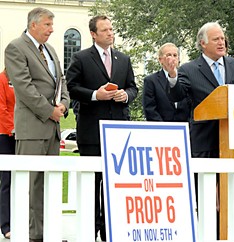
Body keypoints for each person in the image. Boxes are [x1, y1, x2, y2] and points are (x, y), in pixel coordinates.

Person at [165, 21, 234, 238]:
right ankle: (207, 235)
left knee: (232, 196)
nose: (222, 42)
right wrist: (172, 77)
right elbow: (177, 95)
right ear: (203, 43)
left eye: (223, 38)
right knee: (208, 198)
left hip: (233, 142)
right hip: (203, 141)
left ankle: (229, 235)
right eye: (216, 39)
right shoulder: (189, 70)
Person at [66, 15, 138, 241]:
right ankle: (89, 231)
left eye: (111, 29)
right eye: (105, 30)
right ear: (94, 34)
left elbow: (133, 88)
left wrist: (125, 95)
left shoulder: (123, 59)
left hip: (117, 133)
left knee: (113, 186)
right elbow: (73, 87)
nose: (110, 33)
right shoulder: (81, 58)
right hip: (91, 133)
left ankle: (110, 231)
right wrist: (96, 95)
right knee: (92, 184)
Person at [4, 7, 70, 242]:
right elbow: (24, 87)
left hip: (52, 129)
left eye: (52, 25)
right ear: (33, 25)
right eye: (47, 25)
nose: (52, 30)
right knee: (31, 184)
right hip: (32, 128)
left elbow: (61, 81)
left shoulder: (50, 50)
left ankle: (47, 232)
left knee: (50, 183)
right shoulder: (15, 48)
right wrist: (49, 111)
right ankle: (31, 235)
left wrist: (63, 104)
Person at [143, 43, 191, 122]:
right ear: (160, 59)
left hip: (186, 129)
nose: (172, 58)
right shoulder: (151, 81)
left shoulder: (186, 78)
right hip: (162, 129)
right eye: (169, 55)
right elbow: (150, 110)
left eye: (175, 55)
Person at [0, 69, 15, 240]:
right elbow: (1, 108)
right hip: (5, 134)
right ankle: (5, 224)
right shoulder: (2, 80)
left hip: (23, 134)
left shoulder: (23, 80)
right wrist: (13, 128)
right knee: (7, 180)